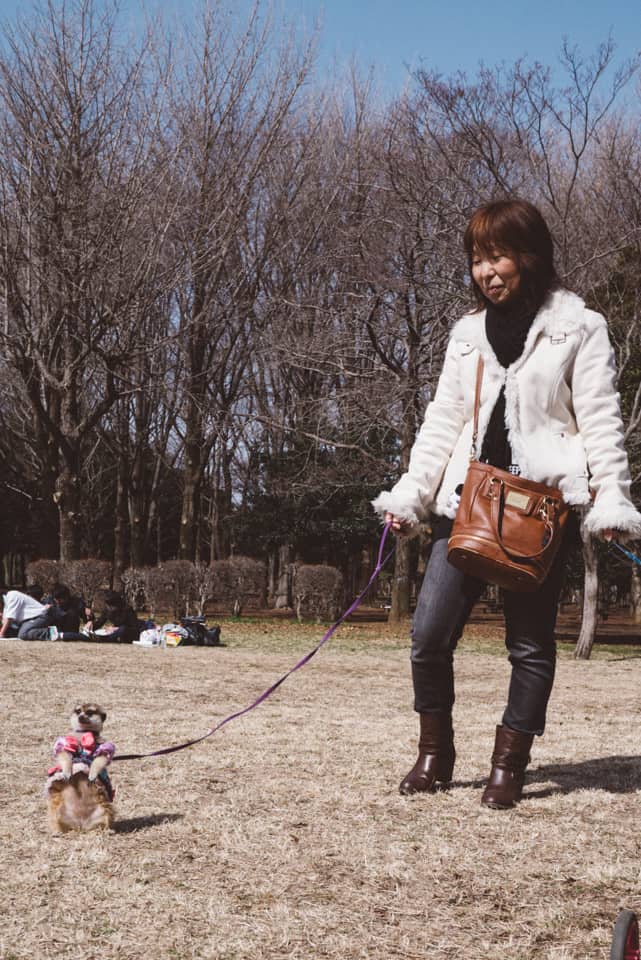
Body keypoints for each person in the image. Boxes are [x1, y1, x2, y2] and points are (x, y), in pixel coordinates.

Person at [373, 198, 641, 809]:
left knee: (529, 644)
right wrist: (412, 494)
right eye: (476, 259)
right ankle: (435, 755)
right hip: (464, 502)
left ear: (530, 256)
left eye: (498, 256)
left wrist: (611, 500)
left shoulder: (581, 326)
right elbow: (441, 421)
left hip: (540, 509)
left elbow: (602, 421)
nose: (487, 270)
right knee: (428, 634)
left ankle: (509, 765)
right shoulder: (466, 335)